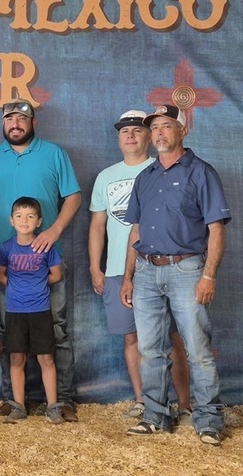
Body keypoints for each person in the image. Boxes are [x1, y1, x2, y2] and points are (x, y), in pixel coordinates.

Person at [120, 104, 231, 445]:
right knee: (150, 349)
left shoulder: (201, 172)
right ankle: (156, 416)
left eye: (167, 126)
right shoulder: (146, 176)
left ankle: (209, 419)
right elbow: (135, 231)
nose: (159, 133)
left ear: (183, 131)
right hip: (147, 272)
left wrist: (209, 275)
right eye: (154, 128)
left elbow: (216, 229)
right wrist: (128, 276)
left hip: (187, 269)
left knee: (197, 348)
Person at [0, 99, 81, 421]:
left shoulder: (53, 154)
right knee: (10, 333)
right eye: (9, 118)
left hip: (48, 262)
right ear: (3, 123)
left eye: (22, 118)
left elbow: (73, 196)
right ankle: (13, 400)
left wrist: (54, 230)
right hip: (5, 261)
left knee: (57, 331)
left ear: (33, 122)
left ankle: (61, 401)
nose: (15, 123)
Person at [88, 110, 191, 420]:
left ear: (150, 136)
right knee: (131, 337)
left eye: (137, 129)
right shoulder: (106, 177)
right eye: (124, 131)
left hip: (160, 267)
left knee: (172, 337)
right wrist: (97, 266)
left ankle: (184, 404)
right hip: (119, 270)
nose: (130, 135)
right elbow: (97, 225)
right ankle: (143, 401)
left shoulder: (163, 169)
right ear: (119, 139)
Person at [0, 197, 64, 425]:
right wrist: (17, 288)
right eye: (19, 216)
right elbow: (1, 274)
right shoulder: (5, 248)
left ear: (39, 221)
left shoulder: (46, 247)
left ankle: (53, 407)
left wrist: (36, 286)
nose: (25, 220)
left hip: (40, 310)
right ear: (11, 221)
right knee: (17, 358)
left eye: (30, 216)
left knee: (46, 358)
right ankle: (18, 406)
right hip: (15, 311)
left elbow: (56, 275)